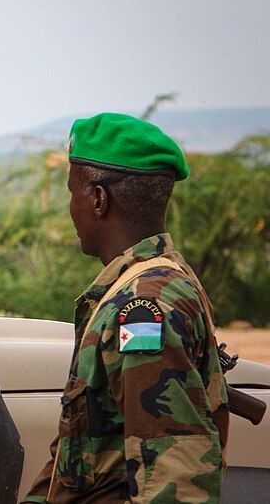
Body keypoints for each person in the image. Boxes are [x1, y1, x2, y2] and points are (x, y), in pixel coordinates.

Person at [23, 113, 229, 503]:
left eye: (72, 192)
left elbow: (173, 470)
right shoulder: (145, 285)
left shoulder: (143, 304)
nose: (71, 208)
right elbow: (81, 461)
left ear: (98, 199)